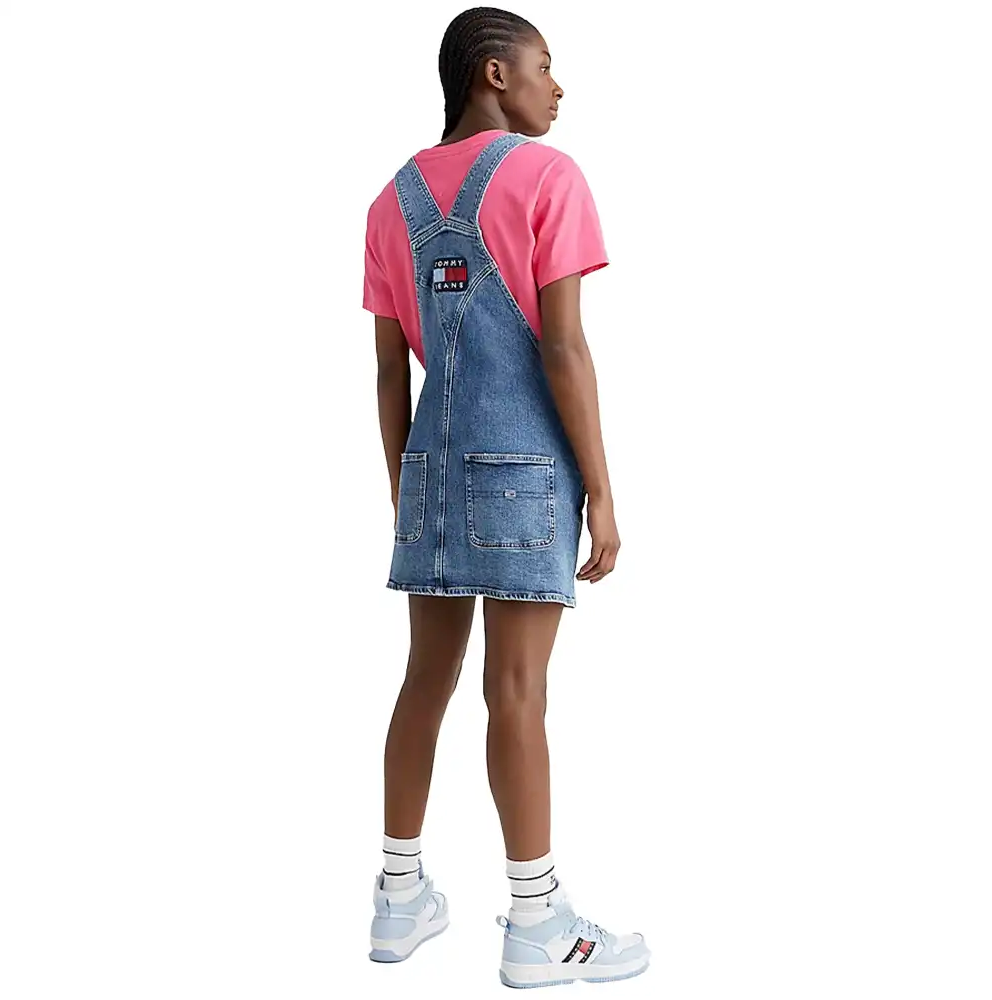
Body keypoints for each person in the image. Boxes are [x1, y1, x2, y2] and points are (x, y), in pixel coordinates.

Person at [362, 6, 650, 989]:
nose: (555, 88)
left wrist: (405, 485)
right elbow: (562, 346)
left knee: (424, 680)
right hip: (525, 472)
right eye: (543, 66)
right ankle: (537, 923)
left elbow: (388, 372)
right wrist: (602, 489)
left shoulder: (390, 201)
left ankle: (398, 897)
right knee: (516, 691)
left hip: (430, 471)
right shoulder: (548, 176)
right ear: (494, 73)